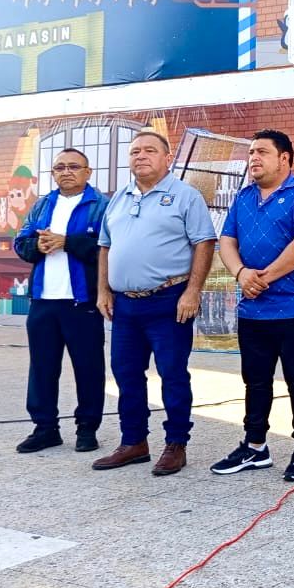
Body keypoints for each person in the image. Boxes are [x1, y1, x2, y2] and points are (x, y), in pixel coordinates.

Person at [92, 131, 217, 476]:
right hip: (125, 306)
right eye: (135, 152)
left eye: (150, 150)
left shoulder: (185, 196)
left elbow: (204, 243)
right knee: (126, 374)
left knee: (172, 374)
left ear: (166, 158)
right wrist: (103, 290)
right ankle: (134, 442)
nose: (141, 156)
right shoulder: (119, 198)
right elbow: (105, 246)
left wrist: (193, 291)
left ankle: (176, 443)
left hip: (169, 301)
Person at [210, 130, 294, 483]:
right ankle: (255, 445)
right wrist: (241, 273)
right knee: (255, 380)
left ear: (284, 158)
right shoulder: (243, 197)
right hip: (253, 308)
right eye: (251, 153)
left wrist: (263, 278)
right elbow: (226, 240)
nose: (253, 158)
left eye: (261, 152)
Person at [12, 149, 108, 454]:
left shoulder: (101, 205)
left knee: (88, 368)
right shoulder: (42, 204)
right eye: (60, 167)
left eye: (74, 167)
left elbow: (108, 248)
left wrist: (67, 242)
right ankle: (45, 429)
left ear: (88, 172)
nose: (66, 172)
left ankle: (87, 429)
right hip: (43, 301)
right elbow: (21, 242)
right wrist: (38, 245)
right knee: (42, 368)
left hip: (82, 301)